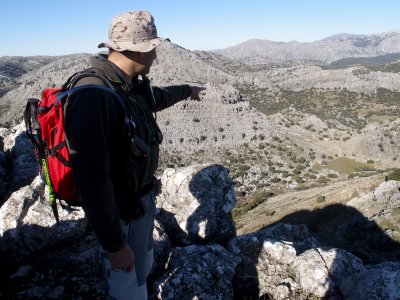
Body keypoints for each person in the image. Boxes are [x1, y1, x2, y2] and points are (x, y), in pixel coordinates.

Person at [64, 10, 204, 300]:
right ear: (135, 50)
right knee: (126, 286)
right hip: (119, 213)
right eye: (151, 49)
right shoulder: (93, 95)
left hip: (138, 203)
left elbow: (157, 99)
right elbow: (91, 179)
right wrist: (115, 245)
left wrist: (187, 90)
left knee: (141, 272)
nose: (155, 56)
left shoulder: (127, 84)